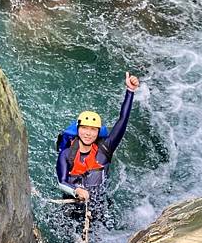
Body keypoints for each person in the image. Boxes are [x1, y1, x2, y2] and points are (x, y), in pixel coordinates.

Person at [56, 72, 140, 209]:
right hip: (72, 203)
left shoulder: (105, 149)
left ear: (98, 132)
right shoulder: (66, 154)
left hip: (97, 205)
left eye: (93, 130)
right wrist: (76, 191)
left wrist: (130, 91)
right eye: (84, 128)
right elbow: (62, 182)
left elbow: (122, 120)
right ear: (78, 130)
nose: (88, 134)